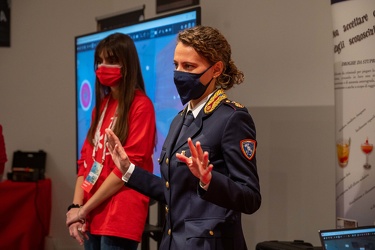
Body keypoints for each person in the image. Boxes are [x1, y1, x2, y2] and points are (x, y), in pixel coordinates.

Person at [73, 25, 261, 249]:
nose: (179, 73)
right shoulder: (179, 120)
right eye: (176, 65)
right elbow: (170, 189)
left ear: (217, 69)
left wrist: (209, 181)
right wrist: (128, 170)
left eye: (189, 66)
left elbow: (250, 198)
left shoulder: (232, 118)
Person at [66, 33, 156, 250]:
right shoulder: (101, 106)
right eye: (101, 61)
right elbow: (85, 164)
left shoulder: (141, 106)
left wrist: (83, 210)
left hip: (120, 213)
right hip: (93, 211)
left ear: (127, 65)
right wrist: (76, 207)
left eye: (112, 61)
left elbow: (128, 169)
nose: (104, 67)